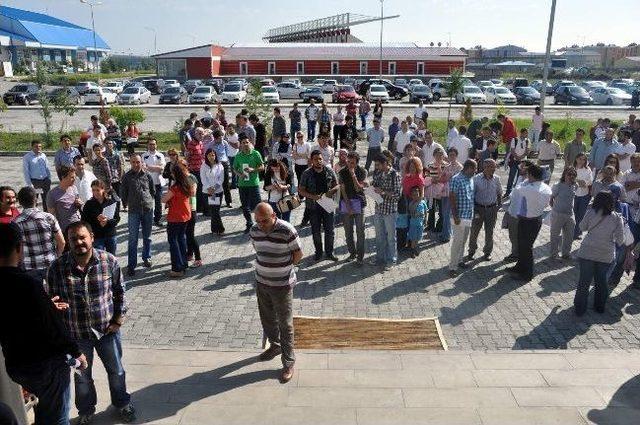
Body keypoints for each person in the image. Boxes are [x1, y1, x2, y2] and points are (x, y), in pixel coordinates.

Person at [47, 221, 136, 424]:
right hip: (76, 336)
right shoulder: (57, 268)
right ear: (67, 242)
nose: (78, 242)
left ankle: (122, 403)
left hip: (107, 331)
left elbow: (120, 292)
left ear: (92, 237)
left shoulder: (108, 261)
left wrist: (118, 320)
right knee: (82, 377)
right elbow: (50, 300)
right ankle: (86, 411)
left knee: (116, 371)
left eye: (82, 237)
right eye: (73, 239)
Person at [0, 222, 86, 425]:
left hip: (17, 364)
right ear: (19, 248)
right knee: (57, 417)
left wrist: (46, 306)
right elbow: (54, 327)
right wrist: (77, 353)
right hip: (45, 365)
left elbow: (14, 316)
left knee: (45, 410)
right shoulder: (28, 284)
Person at [250, 202, 302, 383]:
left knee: (285, 324)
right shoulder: (254, 230)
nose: (261, 225)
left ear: (274, 216)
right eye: (258, 221)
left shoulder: (287, 230)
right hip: (262, 281)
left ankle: (288, 362)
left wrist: (286, 268)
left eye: (264, 221)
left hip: (282, 285)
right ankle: (275, 345)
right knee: (267, 318)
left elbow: (298, 254)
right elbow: (257, 249)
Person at [574, 191, 624, 316]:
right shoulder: (617, 217)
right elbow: (620, 240)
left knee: (584, 282)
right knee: (601, 281)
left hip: (587, 251)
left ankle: (579, 308)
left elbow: (582, 227)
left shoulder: (591, 212)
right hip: (605, 253)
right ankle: (599, 306)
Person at [507, 164, 552, 282]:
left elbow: (517, 188)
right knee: (523, 246)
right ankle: (519, 267)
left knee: (526, 248)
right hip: (535, 220)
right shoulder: (546, 188)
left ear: (531, 175)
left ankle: (527, 274)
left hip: (527, 221)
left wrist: (524, 177)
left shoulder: (528, 188)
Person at [14, 186, 65, 282]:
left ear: (19, 202)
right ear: (36, 200)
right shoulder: (48, 218)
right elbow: (61, 242)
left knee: (35, 296)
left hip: (29, 267)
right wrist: (57, 256)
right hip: (50, 263)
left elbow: (18, 249)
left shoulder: (16, 223)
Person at [299, 150, 340, 261]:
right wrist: (313, 197)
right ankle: (318, 252)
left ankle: (329, 252)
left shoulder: (329, 170)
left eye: (320, 159)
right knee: (316, 231)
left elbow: (337, 185)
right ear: (312, 160)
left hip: (328, 204)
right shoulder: (306, 173)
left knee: (330, 230)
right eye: (316, 159)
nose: (318, 161)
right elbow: (301, 190)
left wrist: (330, 192)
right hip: (313, 207)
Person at [120, 154, 155, 276]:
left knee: (147, 237)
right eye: (133, 162)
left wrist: (149, 201)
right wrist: (125, 203)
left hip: (147, 209)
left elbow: (152, 191)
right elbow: (123, 192)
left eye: (138, 162)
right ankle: (132, 264)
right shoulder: (126, 177)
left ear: (141, 162)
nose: (136, 164)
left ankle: (147, 257)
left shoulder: (148, 176)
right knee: (133, 239)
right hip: (133, 211)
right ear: (130, 163)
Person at [162, 162, 195, 278]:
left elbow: (164, 199)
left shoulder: (175, 187)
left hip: (175, 217)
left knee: (173, 241)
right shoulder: (187, 184)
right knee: (181, 239)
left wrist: (165, 197)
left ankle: (177, 268)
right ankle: (184, 263)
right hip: (185, 215)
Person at [467, 159, 502, 262]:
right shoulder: (476, 179)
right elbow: (471, 195)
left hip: (491, 209)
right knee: (474, 231)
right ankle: (471, 251)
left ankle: (487, 252)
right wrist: (473, 209)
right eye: (491, 167)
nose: (493, 169)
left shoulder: (497, 179)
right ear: (485, 167)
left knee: (489, 232)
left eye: (494, 167)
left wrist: (498, 205)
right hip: (478, 209)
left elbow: (499, 192)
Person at [371, 153, 402, 270]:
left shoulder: (395, 175)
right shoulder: (378, 173)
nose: (377, 167)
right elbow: (375, 185)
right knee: (379, 236)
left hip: (390, 211)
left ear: (385, 163)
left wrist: (382, 192)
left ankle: (391, 259)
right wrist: (369, 187)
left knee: (391, 237)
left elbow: (397, 195)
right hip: (378, 209)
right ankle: (380, 258)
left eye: (378, 165)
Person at [448, 160, 478, 277]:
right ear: (468, 168)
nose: (475, 171)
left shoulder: (470, 179)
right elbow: (452, 197)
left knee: (463, 240)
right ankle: (452, 267)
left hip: (468, 215)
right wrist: (455, 216)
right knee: (457, 241)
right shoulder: (456, 179)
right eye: (474, 169)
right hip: (458, 216)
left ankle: (460, 260)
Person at [339, 151, 367, 265]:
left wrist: (353, 175)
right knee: (348, 231)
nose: (350, 164)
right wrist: (348, 206)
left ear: (357, 163)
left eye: (353, 163)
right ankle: (352, 253)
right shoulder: (342, 172)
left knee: (360, 231)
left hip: (359, 203)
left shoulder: (362, 171)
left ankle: (360, 256)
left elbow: (359, 189)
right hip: (347, 203)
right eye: (348, 162)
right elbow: (343, 190)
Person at [233, 134, 265, 233]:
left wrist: (253, 169)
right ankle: (249, 223)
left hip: (253, 184)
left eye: (247, 142)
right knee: (245, 206)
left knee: (258, 206)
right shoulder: (238, 156)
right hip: (242, 185)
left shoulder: (255, 154)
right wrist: (239, 174)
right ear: (240, 145)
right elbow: (234, 168)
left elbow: (262, 167)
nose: (246, 144)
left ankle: (261, 223)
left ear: (250, 143)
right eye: (243, 143)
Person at [81, 180, 120, 256]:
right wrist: (96, 219)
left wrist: (107, 221)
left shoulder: (111, 202)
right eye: (93, 190)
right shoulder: (89, 204)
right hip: (97, 236)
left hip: (110, 235)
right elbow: (84, 221)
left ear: (103, 190)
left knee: (112, 257)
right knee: (99, 258)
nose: (95, 192)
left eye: (97, 190)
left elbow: (117, 219)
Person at [549, 167, 577, 260]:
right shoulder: (558, 185)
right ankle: (554, 254)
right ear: (564, 174)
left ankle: (566, 254)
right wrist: (555, 210)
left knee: (569, 235)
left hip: (570, 214)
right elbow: (551, 198)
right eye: (569, 174)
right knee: (555, 235)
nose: (571, 176)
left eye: (573, 175)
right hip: (558, 213)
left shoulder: (575, 185)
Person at [47, 165, 82, 233]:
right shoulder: (52, 194)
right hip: (65, 230)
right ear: (63, 177)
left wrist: (79, 203)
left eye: (75, 177)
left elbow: (78, 203)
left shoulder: (74, 188)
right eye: (72, 177)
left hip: (78, 225)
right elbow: (51, 216)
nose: (74, 179)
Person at [142, 139, 167, 226]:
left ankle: (158, 219)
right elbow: (143, 168)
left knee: (158, 203)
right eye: (150, 144)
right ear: (147, 145)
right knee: (147, 202)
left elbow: (162, 168)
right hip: (146, 183)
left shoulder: (160, 155)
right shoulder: (144, 156)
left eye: (153, 144)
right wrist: (156, 167)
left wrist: (150, 167)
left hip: (158, 182)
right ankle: (147, 219)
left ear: (156, 145)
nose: (152, 146)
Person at [201, 149, 226, 235]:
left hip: (218, 191)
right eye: (209, 155)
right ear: (206, 156)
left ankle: (214, 229)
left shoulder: (219, 165)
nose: (211, 157)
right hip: (209, 192)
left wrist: (215, 188)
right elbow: (203, 179)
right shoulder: (204, 166)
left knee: (215, 210)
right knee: (214, 211)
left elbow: (221, 179)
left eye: (213, 155)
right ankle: (220, 229)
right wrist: (209, 188)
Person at [23, 140, 52, 212]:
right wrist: (30, 184)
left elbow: (47, 168)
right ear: (32, 147)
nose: (38, 148)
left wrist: (49, 179)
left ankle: (46, 215)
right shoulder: (27, 157)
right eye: (36, 146)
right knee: (33, 201)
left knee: (47, 200)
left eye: (40, 146)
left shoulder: (43, 155)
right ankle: (33, 216)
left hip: (45, 181)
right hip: (35, 182)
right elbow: (26, 171)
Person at [209, 130, 233, 207]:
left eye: (222, 137)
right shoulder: (211, 145)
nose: (221, 139)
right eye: (219, 138)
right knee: (214, 183)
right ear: (215, 138)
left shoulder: (224, 143)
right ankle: (214, 202)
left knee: (226, 183)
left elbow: (227, 152)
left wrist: (226, 161)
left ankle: (228, 201)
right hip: (215, 164)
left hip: (224, 163)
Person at [185, 127, 206, 214]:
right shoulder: (191, 144)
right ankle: (194, 207)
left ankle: (200, 207)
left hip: (201, 169)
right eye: (199, 133)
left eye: (202, 133)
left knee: (201, 188)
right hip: (193, 169)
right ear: (195, 134)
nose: (201, 135)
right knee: (194, 190)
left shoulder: (201, 143)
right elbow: (188, 157)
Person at [573, 153, 594, 240]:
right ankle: (572, 230)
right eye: (580, 159)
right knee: (573, 213)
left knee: (581, 214)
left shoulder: (587, 169)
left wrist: (584, 182)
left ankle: (577, 232)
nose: (581, 161)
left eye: (583, 159)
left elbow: (590, 181)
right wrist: (578, 181)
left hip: (584, 195)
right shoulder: (572, 168)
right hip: (573, 194)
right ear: (576, 159)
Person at [407, 186, 427, 258]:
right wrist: (416, 214)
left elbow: (425, 211)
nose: (416, 197)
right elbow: (411, 214)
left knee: (418, 237)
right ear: (412, 196)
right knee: (413, 238)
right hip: (413, 224)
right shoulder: (411, 204)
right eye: (414, 195)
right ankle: (412, 250)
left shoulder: (423, 202)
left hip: (420, 224)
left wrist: (425, 220)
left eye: (417, 195)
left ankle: (415, 247)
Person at [104, 139, 125, 207]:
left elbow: (121, 165)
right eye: (106, 143)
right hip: (105, 180)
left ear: (113, 145)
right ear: (104, 144)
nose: (108, 145)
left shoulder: (117, 154)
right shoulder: (102, 155)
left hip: (115, 179)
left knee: (117, 198)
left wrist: (120, 177)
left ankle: (117, 215)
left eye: (110, 143)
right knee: (106, 198)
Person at [225, 124, 240, 190]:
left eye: (231, 128)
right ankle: (235, 183)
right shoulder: (228, 135)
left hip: (235, 155)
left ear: (234, 129)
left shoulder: (235, 135)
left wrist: (229, 142)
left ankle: (235, 184)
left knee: (234, 170)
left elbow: (237, 146)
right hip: (230, 155)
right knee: (233, 170)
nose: (230, 130)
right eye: (229, 129)